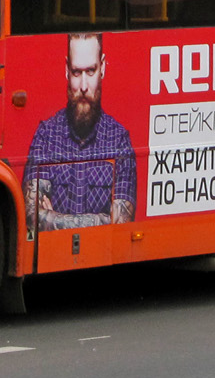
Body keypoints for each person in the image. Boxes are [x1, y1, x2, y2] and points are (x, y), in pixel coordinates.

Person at [22, 32, 136, 230]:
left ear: (103, 67)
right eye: (76, 72)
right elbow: (32, 218)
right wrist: (102, 219)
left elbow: (121, 226)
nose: (83, 86)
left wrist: (53, 217)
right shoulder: (46, 135)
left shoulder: (119, 140)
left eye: (90, 71)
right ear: (67, 70)